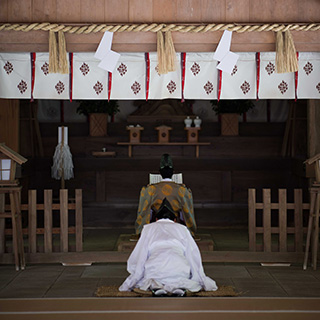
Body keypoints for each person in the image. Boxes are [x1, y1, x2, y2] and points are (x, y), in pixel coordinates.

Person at [120, 199, 217, 296]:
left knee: (151, 276)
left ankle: (156, 288)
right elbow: (192, 254)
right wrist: (199, 276)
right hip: (179, 268)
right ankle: (179, 288)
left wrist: (133, 279)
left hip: (156, 269)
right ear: (174, 220)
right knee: (180, 274)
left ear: (156, 219)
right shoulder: (182, 229)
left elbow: (140, 255)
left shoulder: (148, 228)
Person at [135, 153, 196, 235]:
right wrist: (190, 230)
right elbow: (187, 212)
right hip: (176, 228)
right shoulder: (182, 190)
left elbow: (143, 211)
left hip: (155, 228)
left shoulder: (150, 189)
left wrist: (141, 231)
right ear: (173, 172)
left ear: (159, 172)